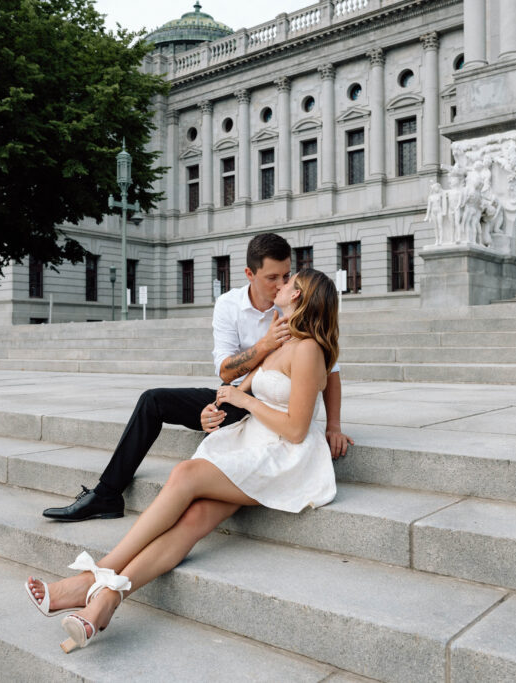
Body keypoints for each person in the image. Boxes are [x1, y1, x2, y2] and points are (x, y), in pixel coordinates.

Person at [26, 269, 341, 652]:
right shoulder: (279, 337)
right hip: (252, 442)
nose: (281, 285)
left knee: (186, 474)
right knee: (192, 520)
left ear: (302, 298)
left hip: (283, 456)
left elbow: (295, 429)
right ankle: (105, 603)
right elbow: (235, 387)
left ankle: (93, 576)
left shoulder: (308, 349)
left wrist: (246, 402)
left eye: (289, 283)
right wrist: (217, 406)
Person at [41, 233, 352, 522]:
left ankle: (194, 501)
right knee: (153, 400)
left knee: (216, 433)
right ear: (249, 275)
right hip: (236, 392)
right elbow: (226, 371)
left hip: (269, 407)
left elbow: (329, 369)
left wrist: (334, 425)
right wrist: (262, 348)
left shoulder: (295, 308)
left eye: (285, 276)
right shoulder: (229, 305)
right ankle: (107, 494)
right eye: (271, 278)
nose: (280, 284)